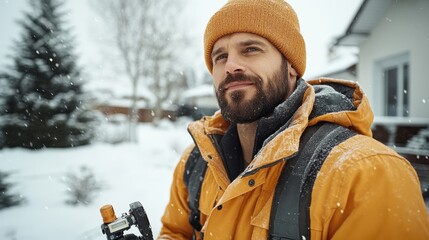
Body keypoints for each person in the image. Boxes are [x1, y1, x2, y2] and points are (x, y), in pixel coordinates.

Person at [159, 0, 429, 239]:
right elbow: (175, 233)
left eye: (251, 49)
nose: (231, 65)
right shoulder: (197, 162)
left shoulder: (368, 175)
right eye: (220, 56)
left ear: (291, 67)